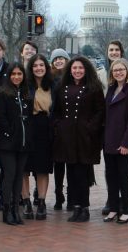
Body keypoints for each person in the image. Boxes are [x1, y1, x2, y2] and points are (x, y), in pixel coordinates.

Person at [53, 57, 106, 222]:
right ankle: (75, 207)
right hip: (67, 136)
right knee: (71, 173)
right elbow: (56, 111)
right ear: (70, 70)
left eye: (81, 68)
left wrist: (90, 127)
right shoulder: (62, 87)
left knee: (83, 173)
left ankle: (85, 208)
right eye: (74, 68)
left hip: (85, 137)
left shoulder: (94, 88)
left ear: (86, 69)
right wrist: (59, 126)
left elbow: (100, 111)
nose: (77, 71)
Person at [102, 59, 128, 224]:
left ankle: (127, 209)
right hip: (109, 141)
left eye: (121, 70)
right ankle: (113, 208)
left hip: (124, 143)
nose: (118, 72)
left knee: (124, 176)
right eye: (115, 70)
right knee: (111, 176)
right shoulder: (111, 90)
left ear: (127, 72)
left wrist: (126, 144)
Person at [0, 63, 33, 226]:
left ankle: (16, 210)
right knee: (9, 175)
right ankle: (7, 210)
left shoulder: (26, 93)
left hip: (23, 143)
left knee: (19, 176)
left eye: (19, 74)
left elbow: (29, 116)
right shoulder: (2, 93)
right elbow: (0, 117)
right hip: (7, 142)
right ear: (9, 76)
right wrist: (10, 132)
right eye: (13, 74)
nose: (16, 77)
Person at [23, 54, 54, 220]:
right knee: (24, 168)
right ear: (31, 68)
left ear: (46, 67)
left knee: (42, 168)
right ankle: (26, 201)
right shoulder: (25, 85)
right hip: (28, 127)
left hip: (45, 129)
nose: (39, 68)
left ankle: (41, 202)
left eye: (42, 65)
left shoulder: (53, 85)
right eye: (35, 66)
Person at [49, 49, 70, 210]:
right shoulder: (50, 79)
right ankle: (58, 194)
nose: (58, 61)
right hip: (56, 124)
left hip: (71, 125)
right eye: (56, 59)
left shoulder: (73, 76)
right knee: (58, 164)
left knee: (70, 163)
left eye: (61, 58)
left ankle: (71, 194)